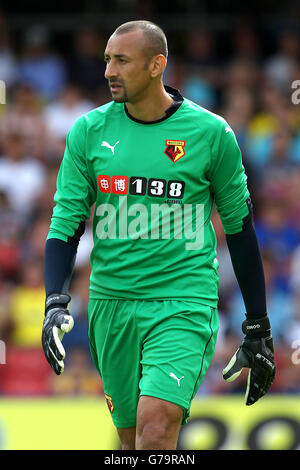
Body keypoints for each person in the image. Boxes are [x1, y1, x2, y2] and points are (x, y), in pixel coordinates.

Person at [41, 20, 276, 450]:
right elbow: (67, 222)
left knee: (156, 424)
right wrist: (54, 299)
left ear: (156, 65)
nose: (109, 70)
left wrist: (257, 324)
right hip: (111, 304)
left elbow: (241, 230)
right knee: (132, 445)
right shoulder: (88, 131)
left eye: (122, 60)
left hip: (183, 300)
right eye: (108, 59)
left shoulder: (210, 133)